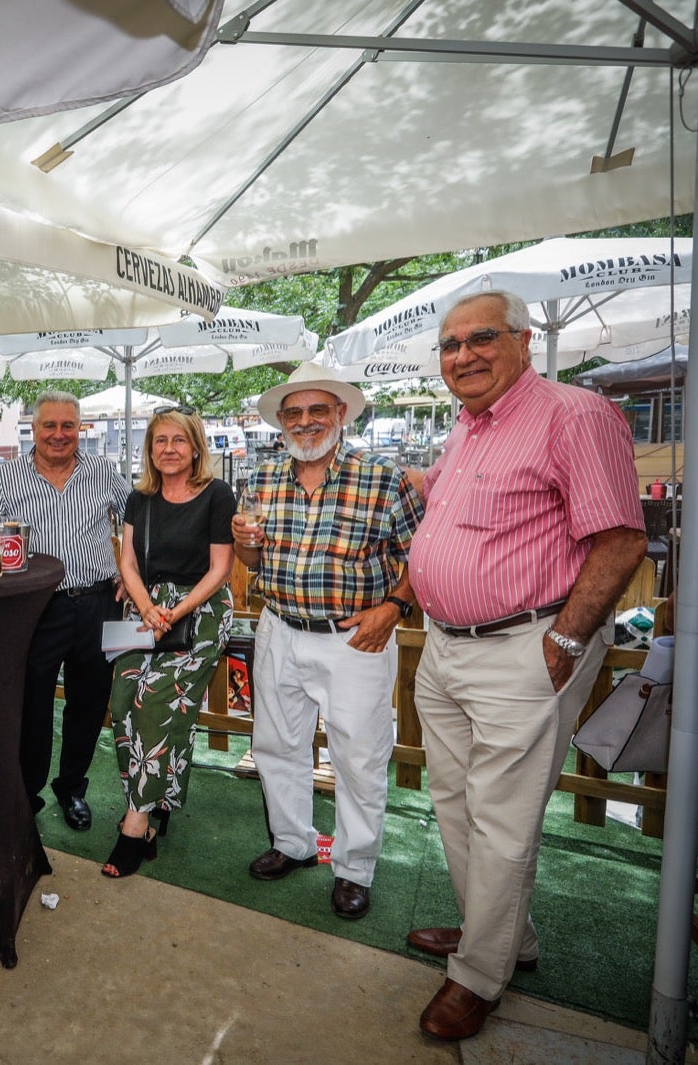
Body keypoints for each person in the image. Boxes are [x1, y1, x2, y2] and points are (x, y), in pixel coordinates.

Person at [409, 290, 646, 1040]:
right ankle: (504, 935)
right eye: (449, 346)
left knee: (503, 819)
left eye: (481, 339)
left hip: (526, 645)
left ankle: (479, 974)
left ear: (522, 341)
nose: (463, 356)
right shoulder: (468, 428)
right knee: (454, 804)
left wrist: (568, 642)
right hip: (445, 644)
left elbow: (620, 539)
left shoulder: (574, 414)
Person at [230, 363, 423, 919]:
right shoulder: (261, 478)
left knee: (359, 758)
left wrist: (395, 607)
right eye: (295, 412)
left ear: (340, 414)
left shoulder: (383, 477)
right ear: (282, 422)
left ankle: (354, 868)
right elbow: (252, 559)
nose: (307, 422)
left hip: (354, 638)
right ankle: (291, 844)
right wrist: (245, 544)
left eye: (318, 410)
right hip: (279, 629)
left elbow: (420, 556)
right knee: (275, 745)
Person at [0, 390, 131, 830]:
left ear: (80, 428)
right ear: (33, 428)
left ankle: (71, 789)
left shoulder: (102, 471)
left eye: (68, 425)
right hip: (37, 608)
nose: (59, 435)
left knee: (88, 703)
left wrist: (129, 569)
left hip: (100, 603)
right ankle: (26, 794)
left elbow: (138, 521)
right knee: (32, 704)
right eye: (50, 425)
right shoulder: (8, 477)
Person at [102, 410, 235, 877]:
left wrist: (172, 614)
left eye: (179, 440)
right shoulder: (141, 499)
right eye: (160, 441)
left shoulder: (218, 495)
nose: (169, 449)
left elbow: (221, 569)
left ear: (195, 447)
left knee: (157, 701)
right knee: (123, 699)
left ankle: (136, 825)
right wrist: (146, 609)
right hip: (145, 608)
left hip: (198, 613)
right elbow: (128, 562)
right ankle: (158, 802)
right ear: (149, 449)